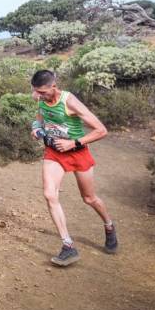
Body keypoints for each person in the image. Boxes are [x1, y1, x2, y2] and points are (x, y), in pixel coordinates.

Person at [30, 69, 118, 266]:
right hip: (54, 152)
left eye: (43, 92)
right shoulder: (40, 98)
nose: (38, 96)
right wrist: (36, 128)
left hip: (77, 152)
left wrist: (73, 143)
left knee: (89, 198)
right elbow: (40, 118)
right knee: (49, 194)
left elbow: (101, 130)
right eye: (36, 91)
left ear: (54, 86)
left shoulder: (70, 102)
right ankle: (68, 246)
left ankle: (109, 225)